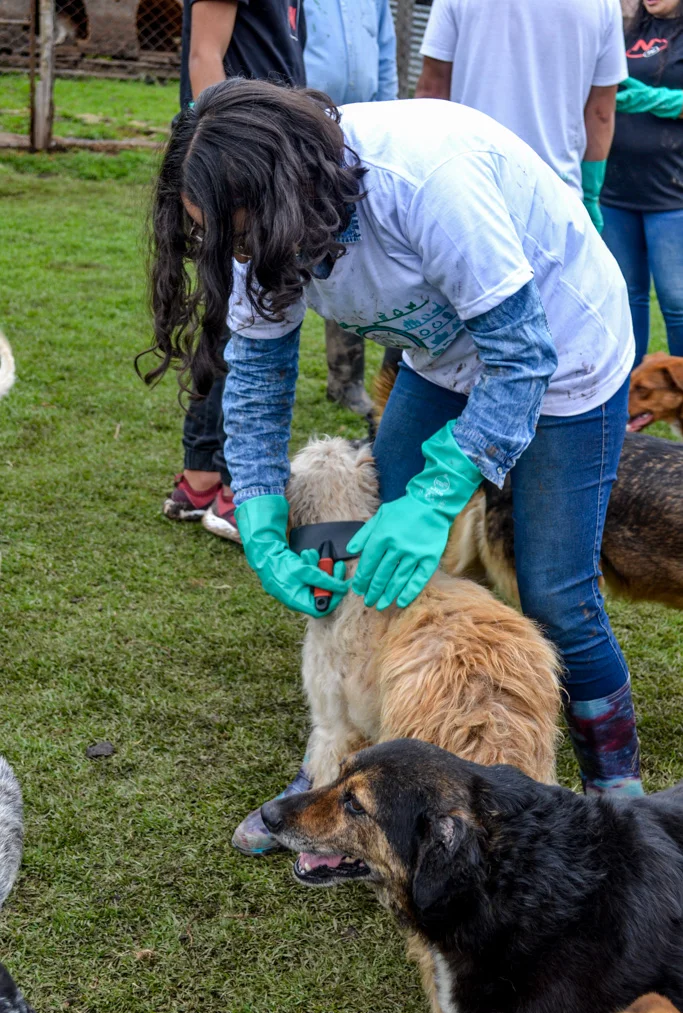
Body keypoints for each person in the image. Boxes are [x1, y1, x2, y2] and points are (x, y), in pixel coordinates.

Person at [148, 81, 642, 855]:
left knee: (554, 590)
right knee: (373, 570)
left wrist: (438, 494)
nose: (232, 255)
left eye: (236, 233)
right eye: (215, 238)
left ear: (284, 192)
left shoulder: (428, 186)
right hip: (442, 357)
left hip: (564, 351)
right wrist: (260, 515)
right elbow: (258, 380)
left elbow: (520, 359)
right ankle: (343, 773)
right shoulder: (260, 227)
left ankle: (616, 805)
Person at [163, 0, 306, 541]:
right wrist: (230, 175)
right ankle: (230, 484)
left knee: (231, 312)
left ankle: (201, 476)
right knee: (244, 314)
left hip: (269, 158)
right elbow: (205, 55)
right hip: (243, 169)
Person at [415, 0, 627, 232]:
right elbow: (601, 113)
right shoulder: (603, 4)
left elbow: (432, 92)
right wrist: (590, 195)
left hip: (467, 188)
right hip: (556, 195)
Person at [304, 0, 399, 429]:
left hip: (362, 138)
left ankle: (350, 379)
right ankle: (325, 375)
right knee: (307, 250)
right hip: (304, 129)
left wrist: (388, 117)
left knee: (355, 253)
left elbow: (384, 52)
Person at [601, 0, 683, 367]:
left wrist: (659, 100)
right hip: (616, 188)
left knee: (677, 302)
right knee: (624, 295)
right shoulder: (626, 32)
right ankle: (629, 391)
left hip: (672, 193)